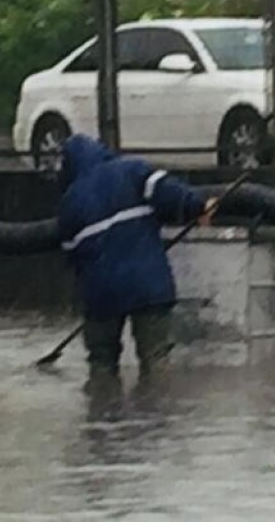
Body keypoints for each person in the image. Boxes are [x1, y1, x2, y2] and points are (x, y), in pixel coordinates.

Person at [57, 134, 218, 383]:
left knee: (101, 363)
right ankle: (154, 415)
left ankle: (102, 415)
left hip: (101, 295)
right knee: (156, 359)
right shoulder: (131, 170)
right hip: (147, 284)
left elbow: (72, 258)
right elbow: (168, 192)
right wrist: (197, 206)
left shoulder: (69, 203)